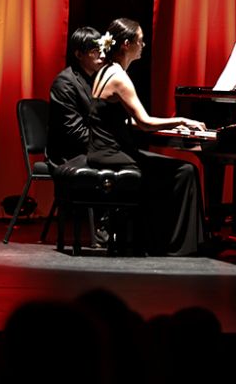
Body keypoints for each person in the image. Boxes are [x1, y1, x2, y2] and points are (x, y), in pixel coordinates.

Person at [87, 18, 208, 256]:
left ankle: (160, 240)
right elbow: (144, 122)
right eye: (140, 41)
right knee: (185, 171)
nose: (143, 46)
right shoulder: (119, 76)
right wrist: (181, 120)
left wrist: (169, 125)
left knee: (178, 170)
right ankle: (175, 246)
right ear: (126, 44)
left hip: (103, 150)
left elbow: (120, 119)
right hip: (112, 154)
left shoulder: (105, 71)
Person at [46, 27, 103, 168]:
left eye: (102, 50)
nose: (102, 55)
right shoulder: (65, 83)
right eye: (95, 51)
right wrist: (106, 144)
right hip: (68, 154)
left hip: (88, 148)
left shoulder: (96, 79)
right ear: (79, 54)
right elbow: (74, 132)